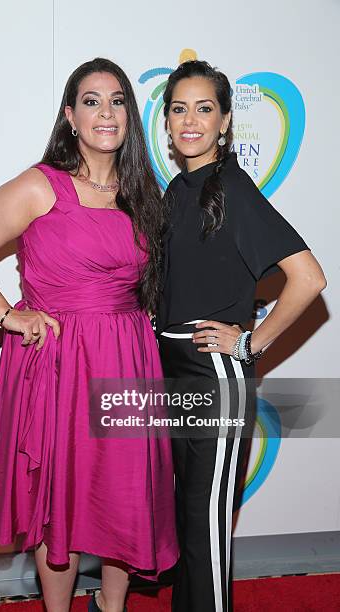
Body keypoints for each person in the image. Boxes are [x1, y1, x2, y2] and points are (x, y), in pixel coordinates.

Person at [0, 57, 178, 612]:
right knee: (61, 498)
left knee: (125, 494)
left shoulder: (144, 195)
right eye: (91, 101)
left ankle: (112, 606)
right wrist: (7, 314)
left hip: (127, 355)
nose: (106, 111)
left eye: (117, 100)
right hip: (59, 363)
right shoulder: (39, 185)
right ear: (70, 116)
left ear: (130, 116)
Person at [156, 60, 326, 612]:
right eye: (179, 108)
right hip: (174, 370)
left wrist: (250, 342)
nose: (190, 121)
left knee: (205, 529)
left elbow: (308, 278)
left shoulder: (230, 185)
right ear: (166, 122)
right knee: (188, 519)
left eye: (204, 108)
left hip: (214, 375)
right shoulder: (178, 191)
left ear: (225, 121)